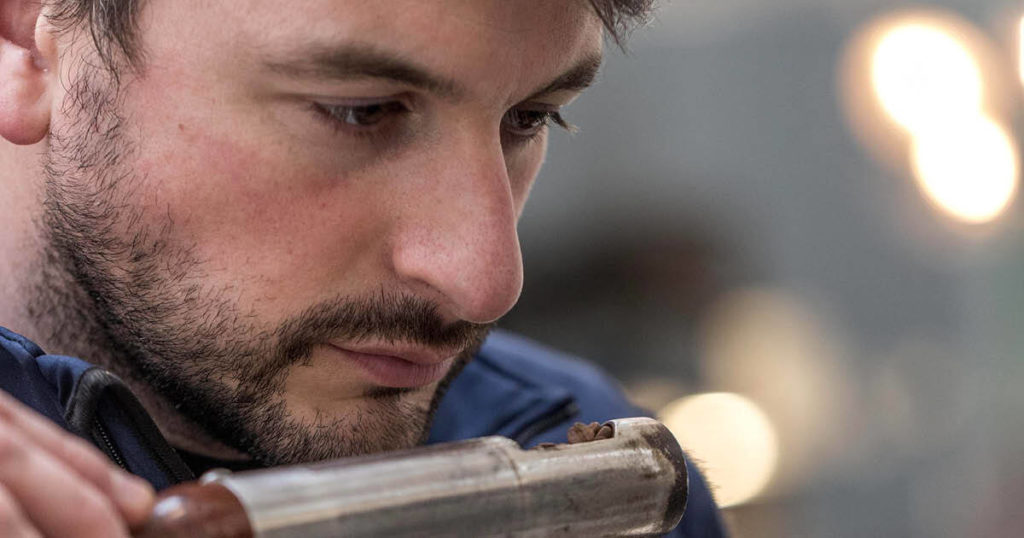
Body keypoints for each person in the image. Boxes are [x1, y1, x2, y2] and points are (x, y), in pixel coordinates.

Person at [0, 0, 725, 536]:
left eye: (530, 117)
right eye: (361, 111)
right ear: (28, 43)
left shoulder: (578, 430)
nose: (485, 281)